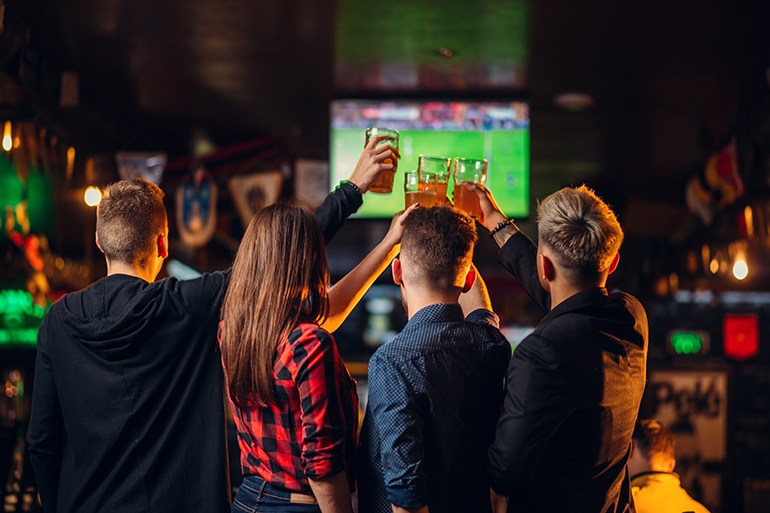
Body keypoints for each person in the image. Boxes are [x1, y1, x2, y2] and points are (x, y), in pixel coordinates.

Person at [25, 136, 400, 513]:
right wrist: (352, 190)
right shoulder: (185, 306)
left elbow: (42, 441)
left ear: (99, 242)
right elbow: (276, 257)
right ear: (162, 244)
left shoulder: (56, 322)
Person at [220, 201, 415, 513]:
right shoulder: (309, 343)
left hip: (247, 500)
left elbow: (330, 311)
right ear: (308, 260)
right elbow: (323, 469)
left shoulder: (233, 331)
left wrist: (389, 244)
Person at [467, 184, 649, 513]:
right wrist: (495, 221)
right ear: (612, 263)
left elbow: (505, 474)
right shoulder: (630, 316)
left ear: (544, 267)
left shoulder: (541, 353)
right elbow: (572, 301)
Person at [357, 206, 512, 513]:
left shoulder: (392, 362)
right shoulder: (491, 342)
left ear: (397, 271)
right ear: (467, 279)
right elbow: (481, 310)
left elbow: (407, 498)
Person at [628, 419, 711, 513]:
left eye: (694, 461)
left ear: (631, 449)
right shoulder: (701, 510)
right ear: (672, 465)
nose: (691, 472)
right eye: (684, 464)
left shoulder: (625, 506)